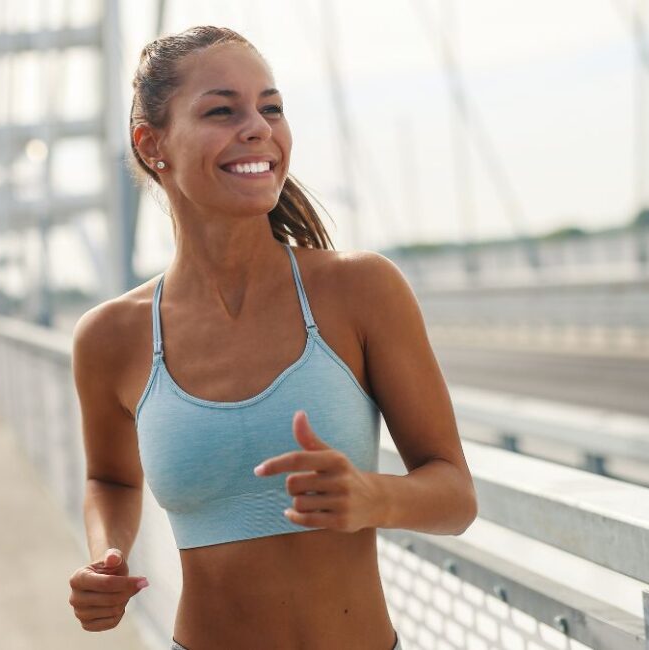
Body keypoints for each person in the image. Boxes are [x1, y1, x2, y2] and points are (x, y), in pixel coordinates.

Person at [67, 25, 477, 650]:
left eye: (272, 108)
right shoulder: (110, 337)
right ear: (153, 145)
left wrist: (374, 497)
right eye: (222, 110)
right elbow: (112, 481)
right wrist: (106, 559)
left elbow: (454, 493)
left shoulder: (360, 291)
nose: (258, 126)